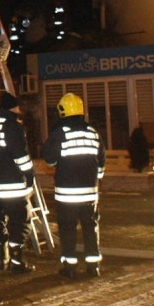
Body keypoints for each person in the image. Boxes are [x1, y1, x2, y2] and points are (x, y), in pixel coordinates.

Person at [42, 92, 105, 279]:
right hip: (89, 194)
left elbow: (49, 160)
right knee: (90, 228)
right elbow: (101, 163)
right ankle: (93, 267)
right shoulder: (93, 133)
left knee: (68, 229)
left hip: (67, 195)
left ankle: (69, 268)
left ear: (62, 111)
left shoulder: (60, 133)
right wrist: (95, 180)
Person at [0, 91, 36, 274]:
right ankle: (17, 261)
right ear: (13, 107)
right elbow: (20, 156)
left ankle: (1, 258)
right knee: (19, 222)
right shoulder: (13, 126)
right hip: (12, 186)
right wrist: (30, 177)